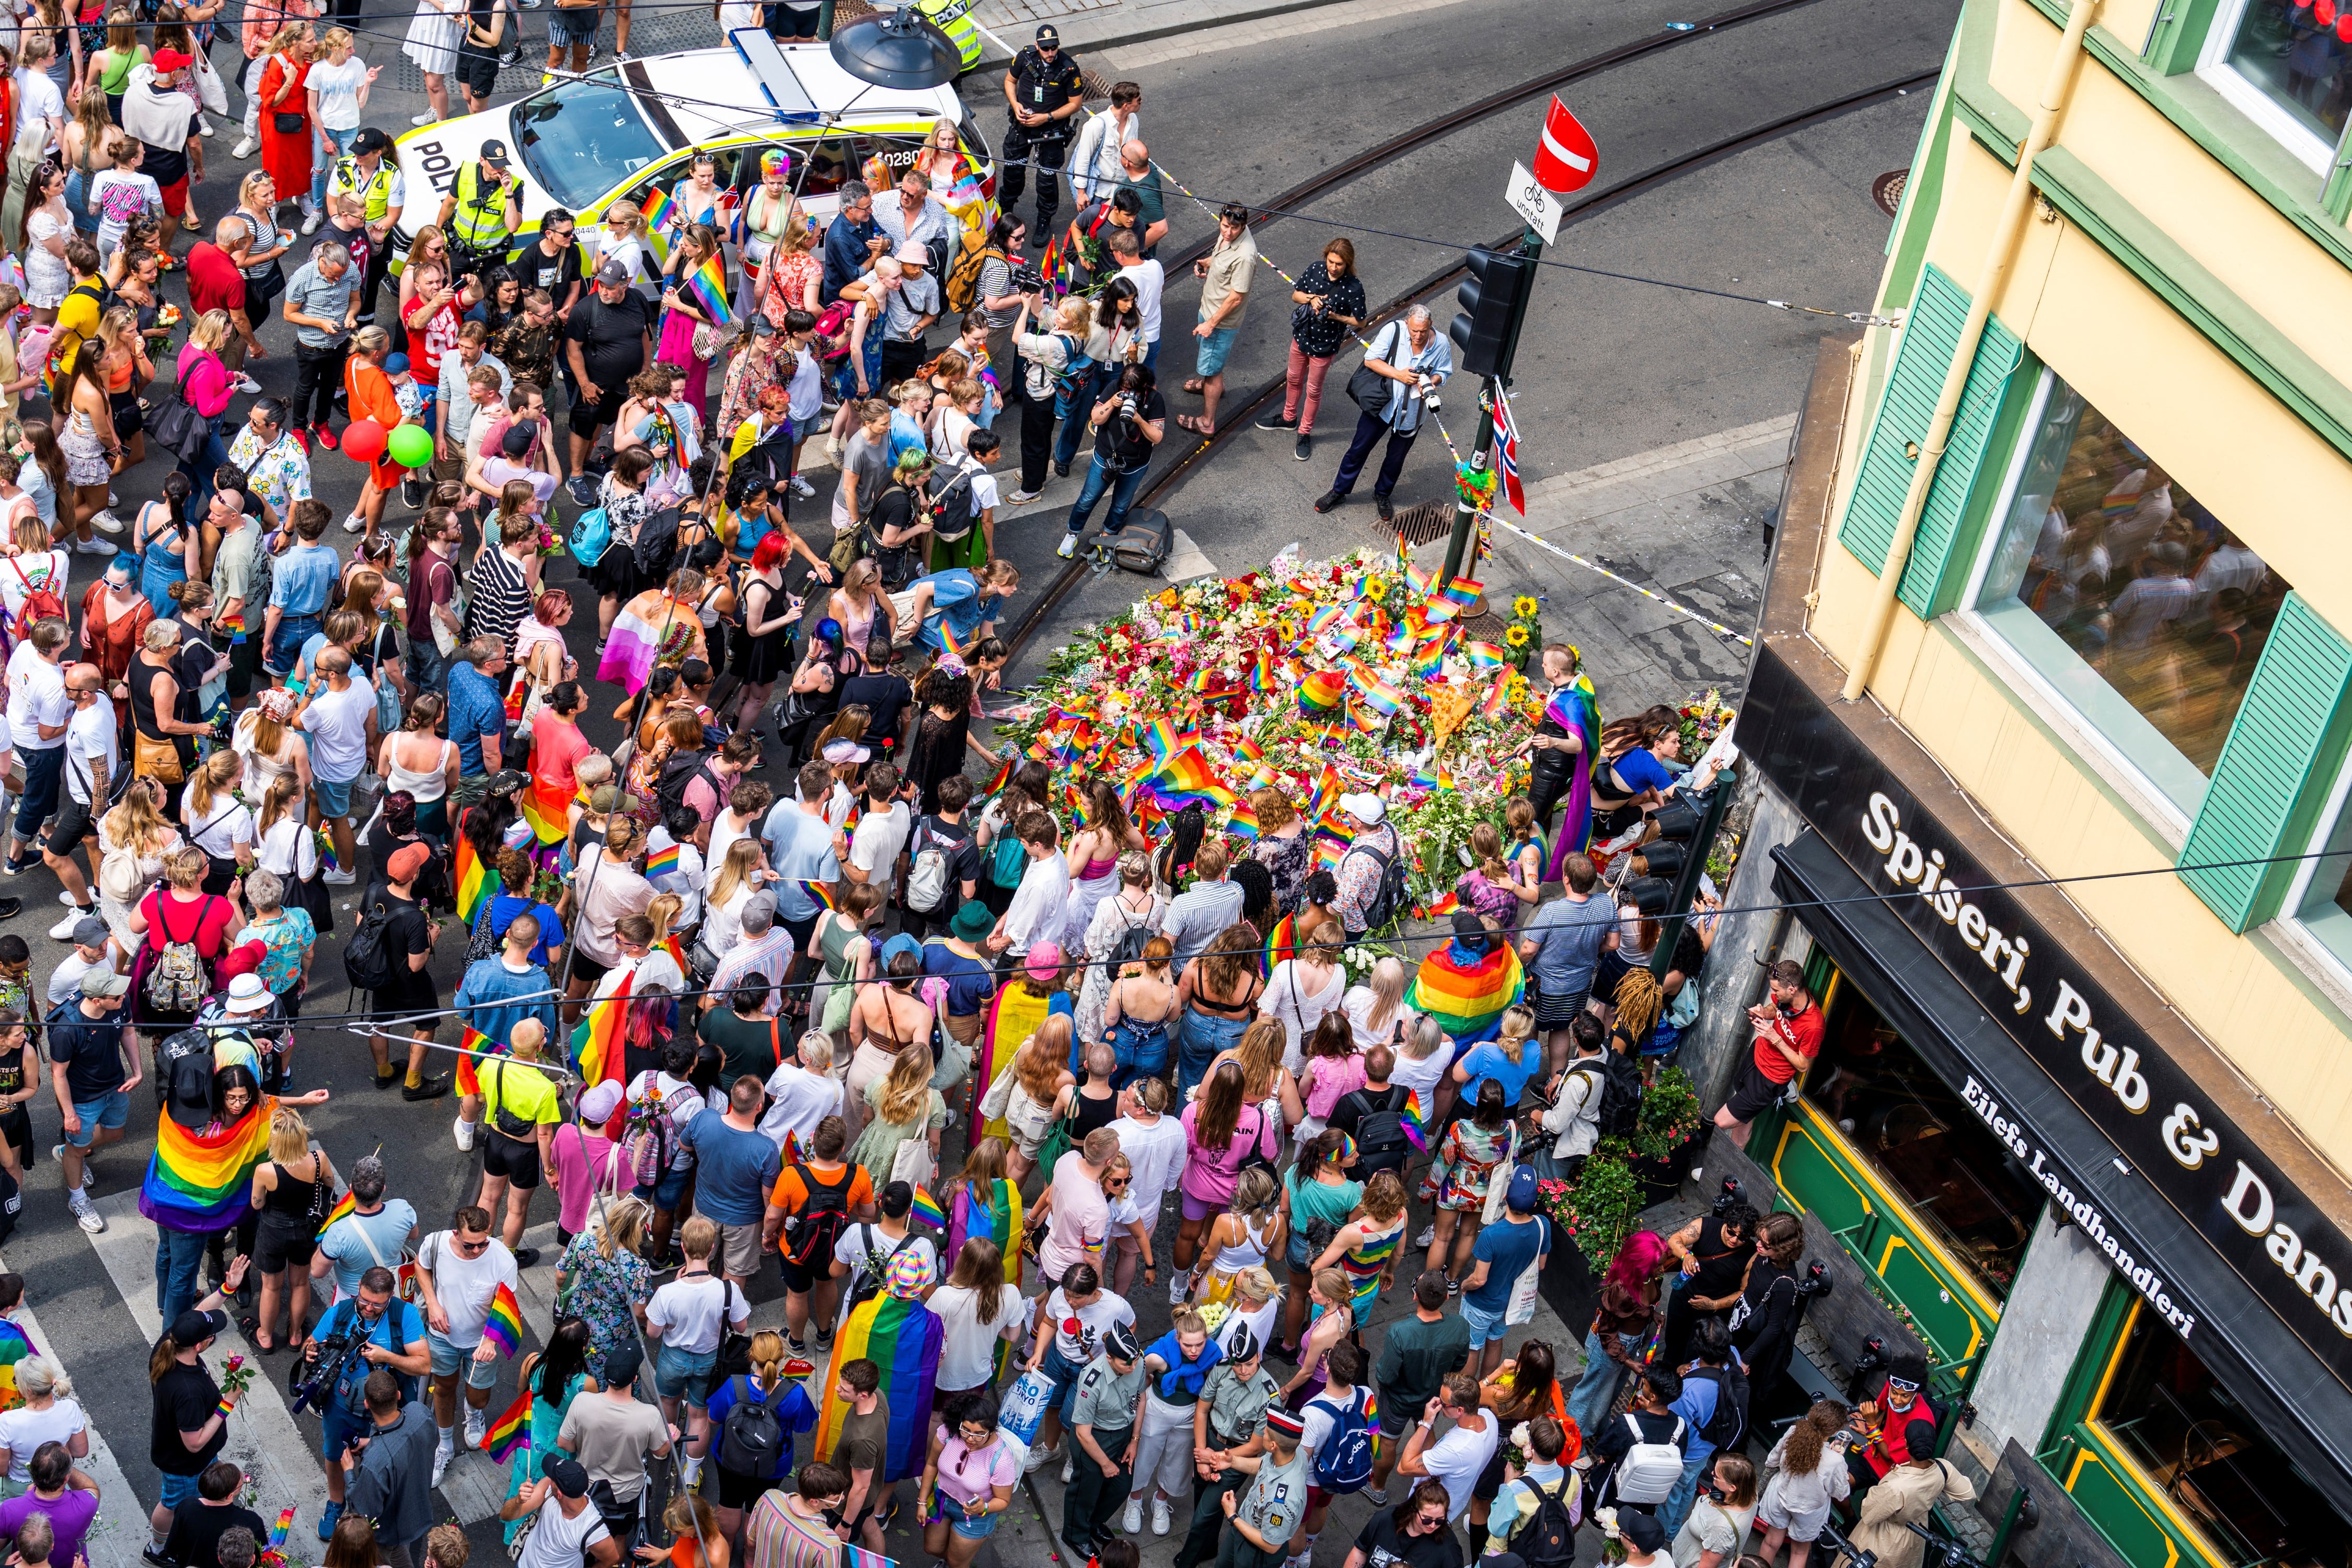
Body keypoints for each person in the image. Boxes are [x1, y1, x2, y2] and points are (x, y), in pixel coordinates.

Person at [301, 1264, 430, 1541]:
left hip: (384, 1410)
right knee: (335, 1455)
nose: (369, 1309)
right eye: (364, 1301)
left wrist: (388, 1357)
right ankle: (336, 1504)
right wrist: (309, 1351)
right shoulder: (343, 1311)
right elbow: (312, 1343)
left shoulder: (404, 1315)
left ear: (391, 1296)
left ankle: (382, 1511)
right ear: (358, 1290)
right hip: (340, 1405)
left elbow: (423, 1365)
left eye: (377, 1304)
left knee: (387, 1462)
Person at [1312, 304, 1452, 521]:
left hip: (1413, 414)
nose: (1418, 335)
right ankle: (1339, 491)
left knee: (1396, 458)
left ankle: (1383, 494)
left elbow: (1444, 372)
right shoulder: (1393, 331)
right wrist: (1399, 375)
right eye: (1414, 330)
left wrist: (1430, 383)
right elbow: (1371, 360)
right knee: (1358, 449)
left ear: (1430, 326)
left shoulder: (1441, 343)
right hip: (1382, 405)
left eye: (1423, 331)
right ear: (1407, 324)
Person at [145, 1282, 251, 1562]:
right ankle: (157, 1551)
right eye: (211, 1334)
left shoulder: (168, 1345)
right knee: (172, 1504)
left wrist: (228, 1287)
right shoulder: (187, 1391)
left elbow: (200, 1311)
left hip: (184, 1456)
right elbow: (194, 1443)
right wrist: (227, 1403)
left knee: (176, 1500)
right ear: (200, 1345)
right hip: (185, 1463)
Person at [413, 1203, 518, 1481]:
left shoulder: (503, 1261)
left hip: (481, 1343)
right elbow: (421, 1268)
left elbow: (505, 1306)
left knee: (478, 1396)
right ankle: (445, 1445)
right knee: (444, 1388)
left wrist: (492, 1341)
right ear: (456, 1234)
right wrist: (433, 1305)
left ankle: (474, 1413)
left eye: (482, 1244)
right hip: (442, 1338)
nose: (476, 1251)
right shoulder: (435, 1244)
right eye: (469, 1246)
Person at [1168, 1325, 1279, 1568]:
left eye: (1249, 1364)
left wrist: (1214, 1458)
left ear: (1259, 1356)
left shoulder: (1269, 1395)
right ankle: (1208, 1548)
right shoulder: (1221, 1370)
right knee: (1201, 1500)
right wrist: (1201, 1456)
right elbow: (1202, 1410)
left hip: (1236, 1457)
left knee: (1202, 1516)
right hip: (1208, 1442)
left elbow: (1255, 1446)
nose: (1242, 1370)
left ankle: (1187, 1562)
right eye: (1238, 1364)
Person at [558, 1343, 676, 1553]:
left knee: (584, 1536)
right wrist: (673, 1437)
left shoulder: (582, 1402)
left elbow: (564, 1443)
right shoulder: (649, 1415)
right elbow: (661, 1452)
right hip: (625, 1494)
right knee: (618, 1538)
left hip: (587, 1489)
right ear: (635, 1379)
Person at [47, 967, 137, 1236]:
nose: (123, 997)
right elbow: (58, 1073)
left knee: (115, 1133)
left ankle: (69, 1152)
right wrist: (69, 1114)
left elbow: (128, 1032)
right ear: (97, 1000)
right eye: (116, 996)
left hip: (116, 1086)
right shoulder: (67, 1029)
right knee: (78, 1149)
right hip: (84, 1098)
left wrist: (138, 1072)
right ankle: (78, 1200)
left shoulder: (121, 1002)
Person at [1055, 360, 1163, 559]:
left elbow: (1157, 437)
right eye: (1125, 389)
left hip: (1135, 463)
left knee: (1121, 505)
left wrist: (1139, 419)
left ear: (1144, 388)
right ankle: (1072, 533)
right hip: (1106, 455)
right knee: (1087, 499)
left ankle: (1107, 537)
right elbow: (1096, 419)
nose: (1128, 394)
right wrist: (1112, 404)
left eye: (1134, 392)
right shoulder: (1113, 388)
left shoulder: (1154, 400)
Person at [1714, 959, 1821, 1148]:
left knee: (1721, 1121)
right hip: (1756, 1057)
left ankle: (1785, 1087)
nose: (1773, 994)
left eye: (1776, 991)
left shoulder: (1814, 1026)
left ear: (1792, 989)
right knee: (1744, 1123)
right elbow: (1775, 1010)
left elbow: (1803, 1065)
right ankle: (1726, 1169)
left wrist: (1775, 1037)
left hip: (1770, 1078)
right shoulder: (1785, 999)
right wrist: (1763, 1012)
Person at [342, 1369, 438, 1568]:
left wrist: (349, 1472)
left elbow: (363, 1511)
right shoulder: (420, 1413)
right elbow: (409, 1441)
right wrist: (372, 1443)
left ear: (367, 1405)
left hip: (388, 1536)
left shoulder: (375, 1463)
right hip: (417, 1512)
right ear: (398, 1395)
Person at [1174, 205, 1254, 437]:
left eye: (1234, 228)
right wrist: (1209, 263)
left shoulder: (1245, 257)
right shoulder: (1229, 235)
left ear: (1244, 225)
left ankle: (1206, 421)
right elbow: (1222, 255)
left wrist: (1210, 324)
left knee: (1212, 371)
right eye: (1225, 226)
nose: (1228, 232)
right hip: (1209, 311)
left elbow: (1237, 298)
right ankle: (1212, 384)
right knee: (1211, 364)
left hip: (1218, 323)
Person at [998, 24, 1082, 238]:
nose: (1051, 53)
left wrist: (1046, 117)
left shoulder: (1069, 68)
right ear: (1037, 46)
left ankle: (1044, 221)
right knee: (1013, 172)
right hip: (1022, 125)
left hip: (1050, 130)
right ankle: (1005, 216)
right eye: (1046, 49)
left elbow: (1075, 104)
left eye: (1054, 48)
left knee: (1046, 179)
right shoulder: (1025, 57)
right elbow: (1010, 80)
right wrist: (1015, 104)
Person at [918, 1394, 1016, 1568]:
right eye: (966, 1430)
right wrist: (922, 1502)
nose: (970, 1439)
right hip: (942, 1499)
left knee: (957, 1563)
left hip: (975, 1517)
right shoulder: (949, 1432)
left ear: (992, 1430)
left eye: (979, 1434)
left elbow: (1003, 1500)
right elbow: (932, 1465)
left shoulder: (1001, 1460)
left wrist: (983, 1507)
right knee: (931, 1547)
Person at [1755, 1401, 1851, 1568]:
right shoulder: (1835, 1460)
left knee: (1770, 1543)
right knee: (1799, 1552)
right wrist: (1834, 1454)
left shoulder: (1793, 1431)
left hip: (1780, 1496)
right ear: (1836, 1431)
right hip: (1809, 1511)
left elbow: (1772, 1460)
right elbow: (1841, 1493)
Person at [1393, 1374, 1493, 1526]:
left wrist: (1426, 1422)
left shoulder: (1456, 1450)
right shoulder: (1488, 1418)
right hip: (1450, 1507)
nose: (1439, 1405)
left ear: (1460, 1410)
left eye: (1444, 1404)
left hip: (1428, 1513)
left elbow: (1404, 1467)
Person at [499, 1456, 619, 1568]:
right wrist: (518, 1501)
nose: (549, 1478)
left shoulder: (593, 1530)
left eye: (553, 1479)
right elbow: (506, 1515)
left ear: (560, 1494)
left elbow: (612, 1559)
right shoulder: (550, 1488)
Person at [1, 1444, 99, 1568]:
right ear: (66, 1479)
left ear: (33, 1474)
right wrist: (65, 1467)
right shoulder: (86, 1505)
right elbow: (91, 1488)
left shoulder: (9, 1509)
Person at [157, 1462, 263, 1568]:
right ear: (230, 1495)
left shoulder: (187, 1507)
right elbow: (261, 1558)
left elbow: (172, 1548)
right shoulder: (251, 1522)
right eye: (241, 1484)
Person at [744, 1461, 845, 1568]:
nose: (842, 1498)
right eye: (836, 1498)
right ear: (814, 1502)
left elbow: (751, 1542)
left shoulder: (769, 1498)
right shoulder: (829, 1545)